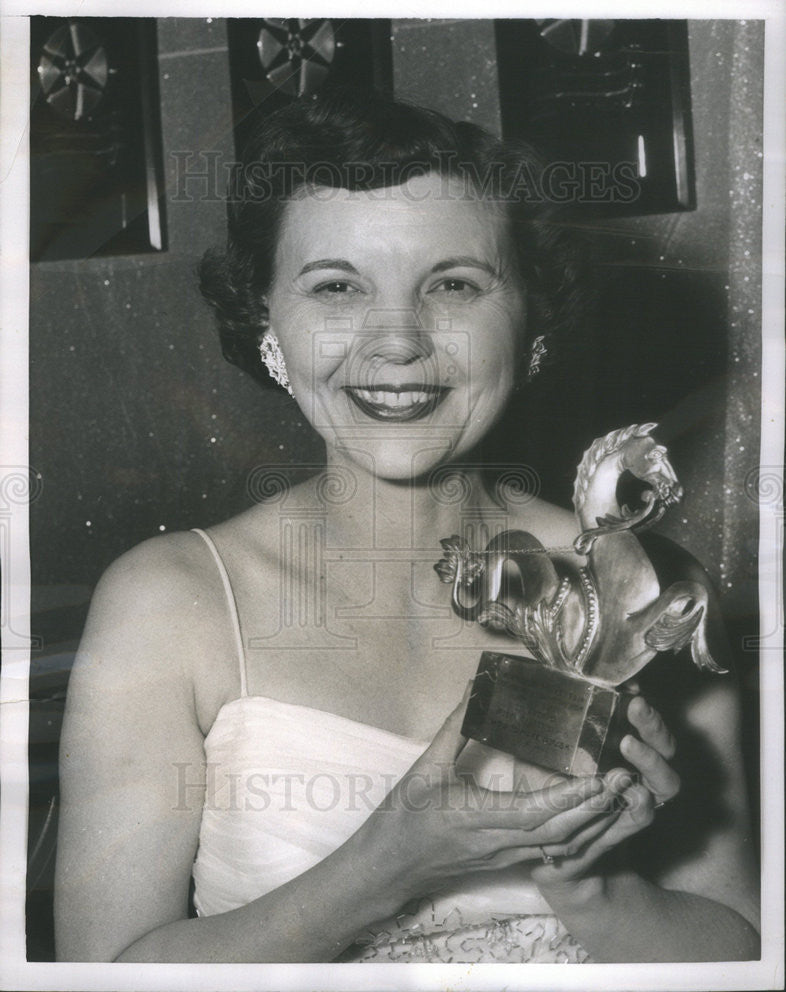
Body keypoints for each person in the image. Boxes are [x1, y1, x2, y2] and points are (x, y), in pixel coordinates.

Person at [54, 88, 760, 964]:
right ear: (266, 322)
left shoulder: (638, 592)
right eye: (337, 286)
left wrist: (590, 885)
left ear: (532, 324)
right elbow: (101, 978)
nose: (397, 342)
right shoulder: (168, 604)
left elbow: (741, 952)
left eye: (454, 285)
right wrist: (388, 863)